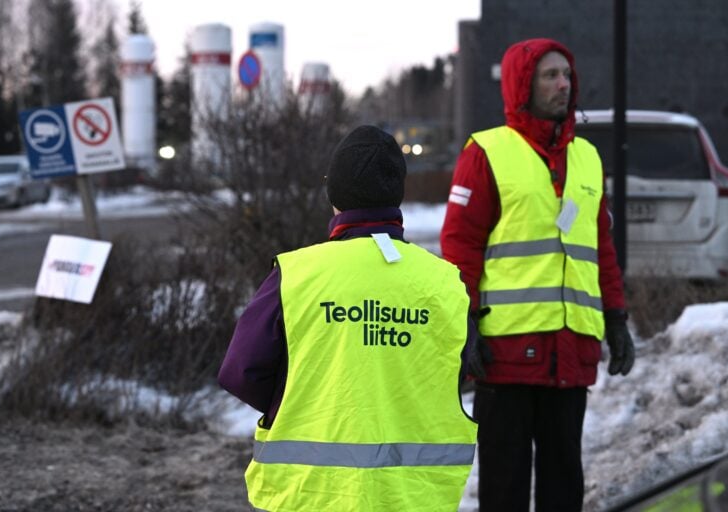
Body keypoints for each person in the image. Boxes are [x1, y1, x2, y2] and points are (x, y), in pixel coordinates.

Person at [218, 125, 478, 512]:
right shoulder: (445, 283)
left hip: (308, 494)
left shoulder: (296, 275)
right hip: (414, 496)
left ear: (333, 195)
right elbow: (460, 374)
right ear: (397, 192)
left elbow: (240, 371)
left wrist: (299, 403)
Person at [440, 38, 636, 512]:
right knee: (504, 488)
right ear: (522, 84)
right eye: (550, 75)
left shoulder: (587, 159)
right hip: (504, 354)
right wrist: (462, 322)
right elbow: (459, 245)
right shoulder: (487, 152)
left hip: (571, 354)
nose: (563, 84)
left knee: (564, 484)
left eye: (566, 75)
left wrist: (616, 316)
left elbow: (600, 248)